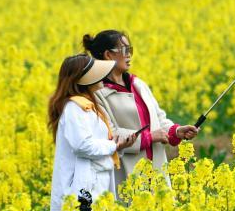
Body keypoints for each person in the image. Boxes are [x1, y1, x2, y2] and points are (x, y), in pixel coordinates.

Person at [83, 30, 199, 192]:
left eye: (130, 50)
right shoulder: (98, 93)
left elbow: (158, 118)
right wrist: (149, 137)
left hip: (157, 167)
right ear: (108, 55)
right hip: (129, 171)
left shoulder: (138, 84)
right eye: (124, 50)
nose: (129, 55)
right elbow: (109, 134)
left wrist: (177, 131)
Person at [47, 53, 137, 211]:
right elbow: (82, 145)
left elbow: (100, 142)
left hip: (98, 178)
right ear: (83, 80)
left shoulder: (91, 106)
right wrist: (113, 145)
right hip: (85, 183)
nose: (103, 76)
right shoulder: (74, 108)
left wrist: (118, 146)